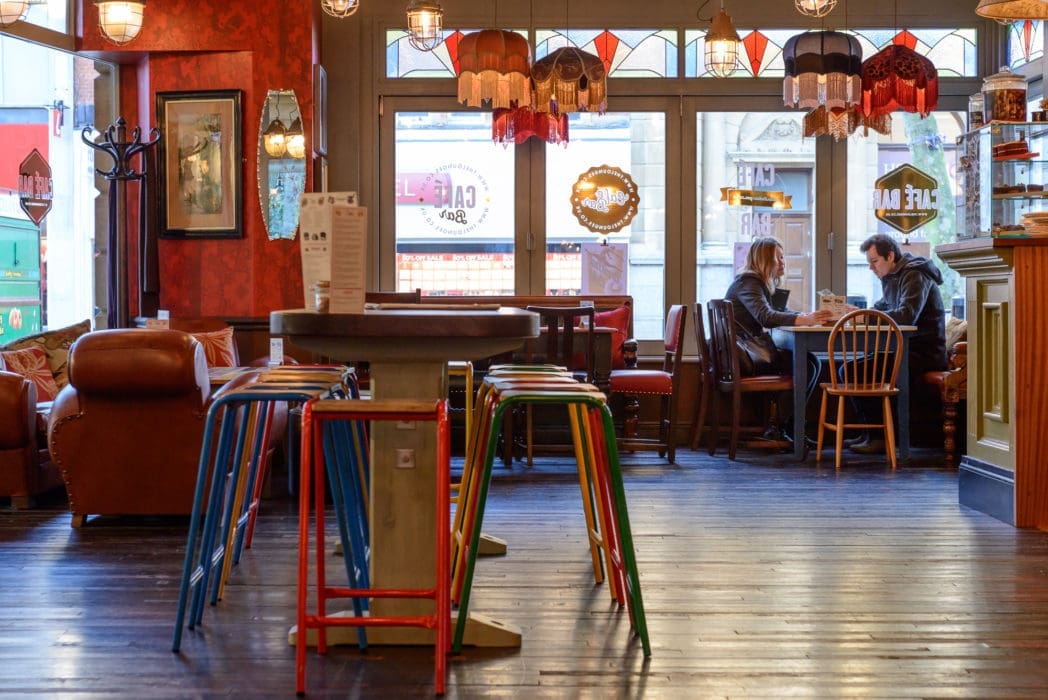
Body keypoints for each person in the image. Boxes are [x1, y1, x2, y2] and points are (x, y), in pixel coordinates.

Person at [725, 237, 834, 441]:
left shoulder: (755, 283)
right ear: (765, 260)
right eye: (778, 257)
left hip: (745, 355)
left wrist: (807, 317)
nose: (783, 262)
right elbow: (765, 316)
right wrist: (803, 319)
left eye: (783, 257)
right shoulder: (749, 282)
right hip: (743, 358)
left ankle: (788, 427)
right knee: (807, 364)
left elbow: (778, 311)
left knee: (810, 361)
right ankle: (786, 427)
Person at [848, 233, 949, 454]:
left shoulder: (914, 274)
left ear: (890, 255)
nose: (871, 268)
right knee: (850, 368)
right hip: (906, 349)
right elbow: (883, 307)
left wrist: (864, 317)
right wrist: (859, 313)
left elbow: (906, 315)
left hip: (925, 353)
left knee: (857, 369)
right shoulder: (892, 277)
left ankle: (880, 437)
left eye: (874, 261)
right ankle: (870, 432)